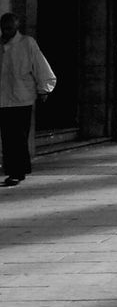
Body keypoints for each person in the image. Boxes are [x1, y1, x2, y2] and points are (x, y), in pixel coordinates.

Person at [0, 13, 57, 187]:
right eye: (4, 28)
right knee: (8, 136)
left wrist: (44, 89)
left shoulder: (27, 43)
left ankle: (18, 171)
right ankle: (15, 170)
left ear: (16, 28)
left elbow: (40, 66)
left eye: (9, 28)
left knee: (18, 136)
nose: (6, 31)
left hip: (22, 97)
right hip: (3, 98)